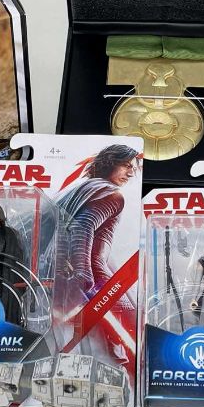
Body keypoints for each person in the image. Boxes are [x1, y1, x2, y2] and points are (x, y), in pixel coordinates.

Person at [54, 144, 141, 369]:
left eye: (133, 168)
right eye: (126, 166)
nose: (131, 173)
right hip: (93, 277)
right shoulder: (111, 194)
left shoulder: (82, 188)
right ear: (110, 163)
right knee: (131, 328)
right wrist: (84, 276)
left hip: (69, 274)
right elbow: (81, 227)